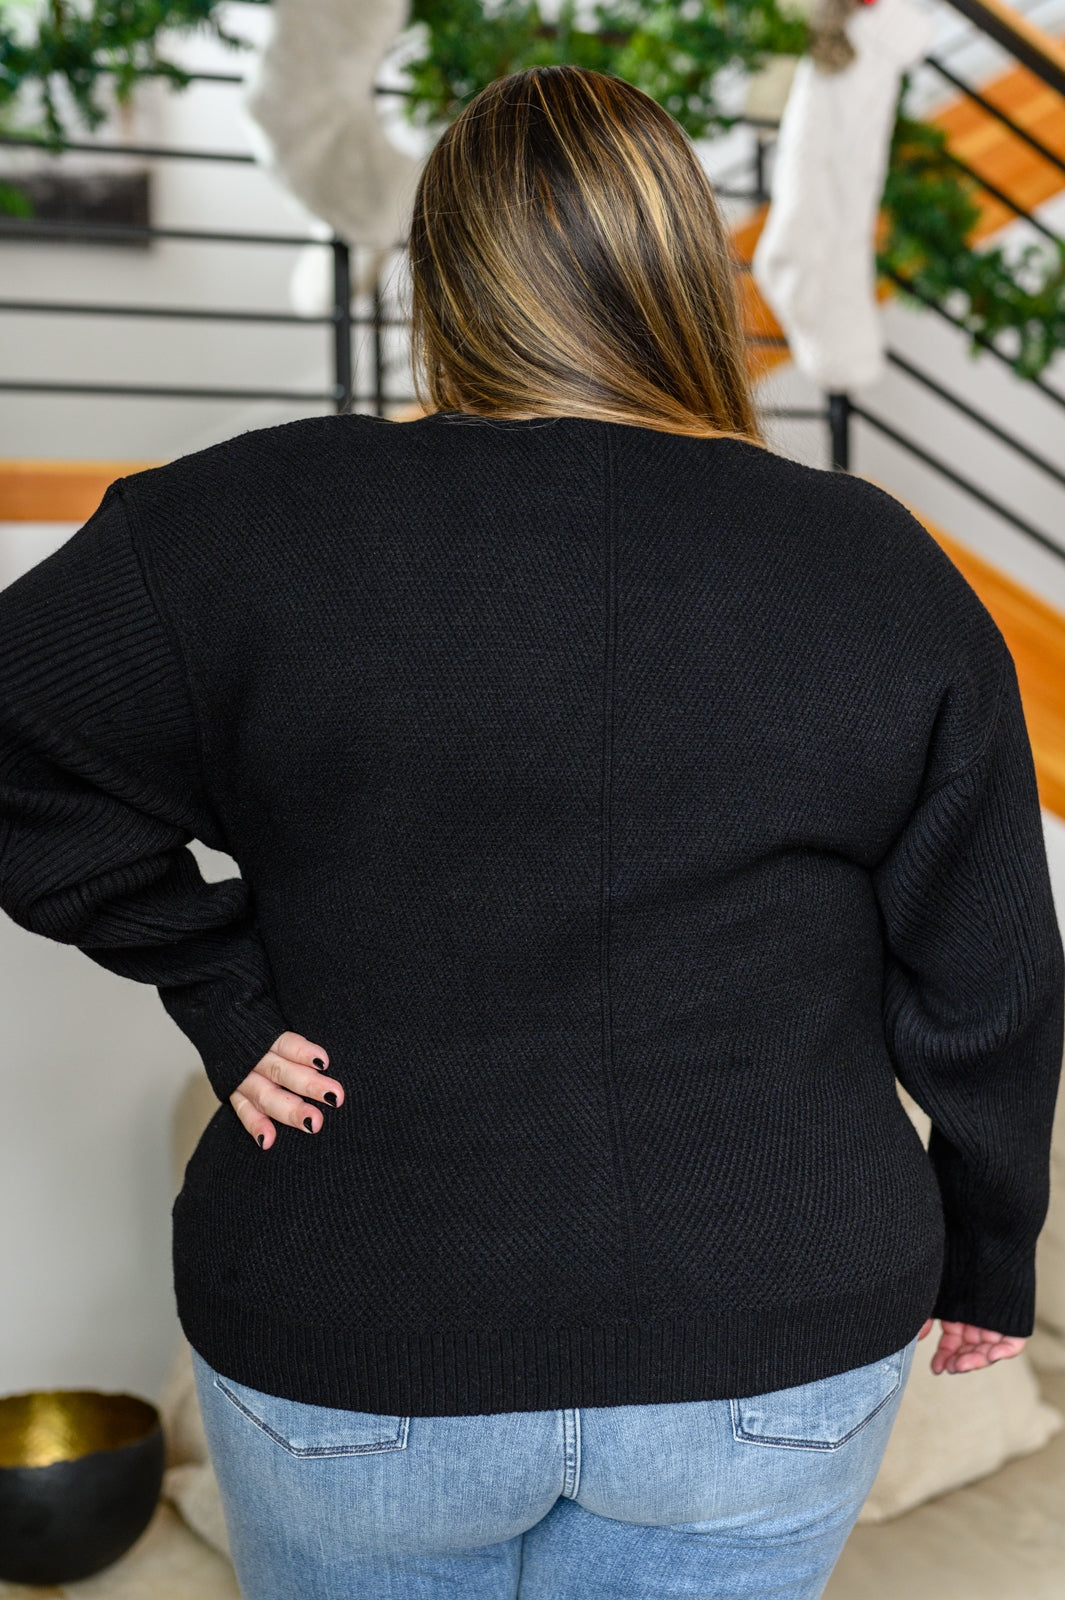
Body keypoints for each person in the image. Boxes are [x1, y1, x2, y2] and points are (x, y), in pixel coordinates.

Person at [0, 61, 1061, 1600]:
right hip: (766, 1352)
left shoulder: (243, 525)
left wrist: (216, 979)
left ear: (443, 279)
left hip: (358, 1333)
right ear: (684, 275)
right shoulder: (870, 560)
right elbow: (991, 977)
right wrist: (989, 1248)